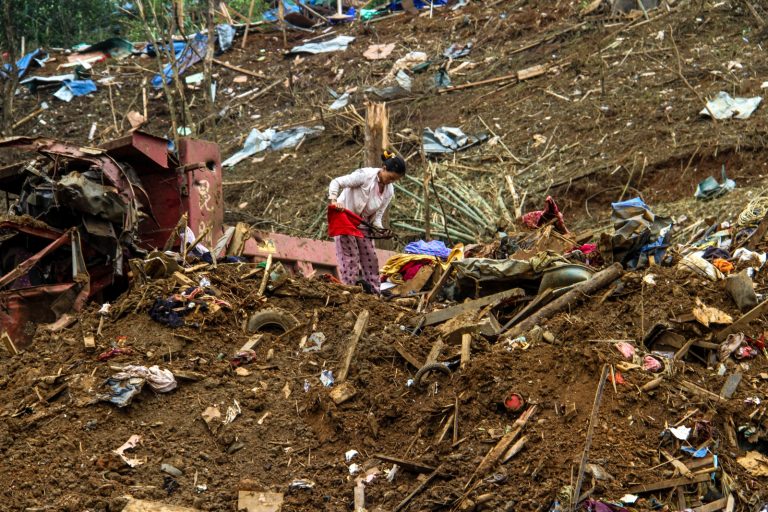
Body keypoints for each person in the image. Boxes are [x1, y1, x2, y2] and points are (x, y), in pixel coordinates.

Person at [328, 151, 406, 293]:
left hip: (363, 223)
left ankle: (375, 293)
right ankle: (348, 290)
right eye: (390, 177)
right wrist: (334, 201)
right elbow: (336, 182)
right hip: (344, 217)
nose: (390, 181)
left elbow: (377, 216)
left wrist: (381, 230)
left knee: (370, 258)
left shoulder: (389, 191)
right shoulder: (365, 176)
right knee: (350, 258)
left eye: (394, 180)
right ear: (384, 168)